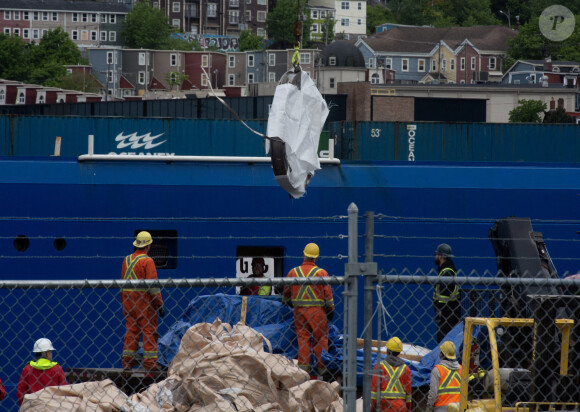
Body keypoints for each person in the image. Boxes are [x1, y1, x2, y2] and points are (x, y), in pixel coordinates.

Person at [283, 243, 334, 378]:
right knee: (320, 340)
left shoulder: (293, 272)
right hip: (318, 313)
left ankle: (303, 374)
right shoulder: (322, 273)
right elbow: (328, 295)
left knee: (303, 340)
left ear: (304, 254)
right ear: (316, 258)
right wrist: (330, 310)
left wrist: (287, 300)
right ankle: (322, 374)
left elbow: (286, 293)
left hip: (299, 312)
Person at [121, 231, 164, 376]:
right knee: (148, 332)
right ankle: (150, 367)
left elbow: (122, 284)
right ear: (149, 245)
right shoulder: (148, 261)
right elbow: (153, 286)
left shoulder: (126, 260)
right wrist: (159, 303)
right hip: (144, 304)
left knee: (131, 332)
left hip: (128, 302)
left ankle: (127, 366)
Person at [17, 338, 67, 405]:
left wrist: (25, 406)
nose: (51, 354)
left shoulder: (28, 369)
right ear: (46, 354)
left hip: (33, 406)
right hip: (53, 406)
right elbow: (64, 391)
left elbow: (20, 392)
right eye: (51, 352)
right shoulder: (57, 369)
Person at [371, 337, 412, 412]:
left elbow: (374, 392)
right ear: (399, 353)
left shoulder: (379, 367)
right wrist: (408, 409)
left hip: (384, 407)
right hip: (401, 407)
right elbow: (408, 394)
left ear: (387, 351)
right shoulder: (406, 369)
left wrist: (372, 409)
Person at [433, 243, 461, 342]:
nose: (435, 257)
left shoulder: (446, 272)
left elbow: (444, 295)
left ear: (440, 256)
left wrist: (439, 311)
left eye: (437, 254)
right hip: (450, 313)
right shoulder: (447, 270)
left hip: (447, 314)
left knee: (443, 341)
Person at [427, 341, 462, 412]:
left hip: (441, 408)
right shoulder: (462, 369)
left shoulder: (437, 369)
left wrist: (429, 408)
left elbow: (433, 394)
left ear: (441, 354)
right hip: (458, 407)